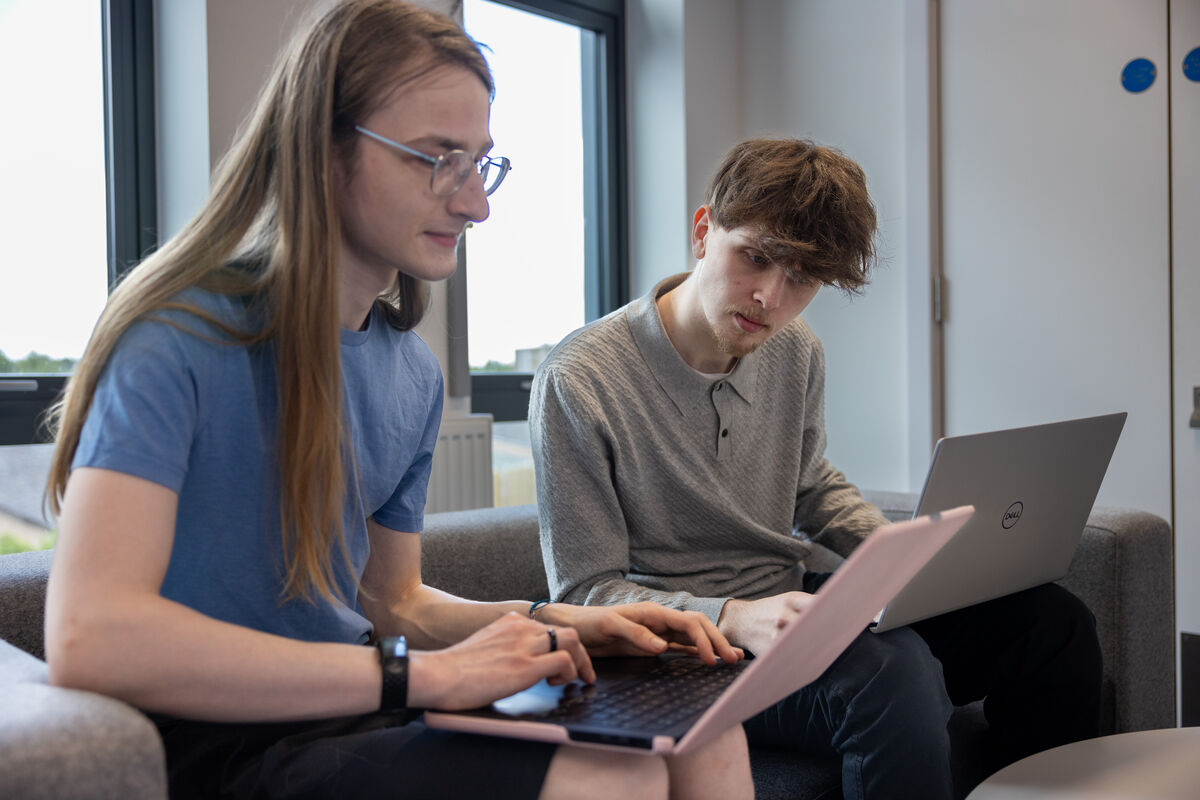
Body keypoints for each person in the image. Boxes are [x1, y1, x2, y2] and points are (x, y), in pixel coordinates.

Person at [41, 2, 753, 798]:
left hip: (361, 708)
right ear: (323, 151)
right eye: (436, 159)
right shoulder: (177, 339)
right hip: (223, 742)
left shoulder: (411, 374)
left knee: (705, 730)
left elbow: (392, 600)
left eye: (480, 163)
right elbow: (90, 636)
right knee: (612, 778)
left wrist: (556, 621)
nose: (476, 203)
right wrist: (415, 677)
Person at [530, 137, 1103, 800]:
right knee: (891, 673)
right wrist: (732, 615)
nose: (769, 297)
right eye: (755, 257)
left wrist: (902, 553)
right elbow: (584, 594)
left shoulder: (793, 349)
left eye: (802, 279)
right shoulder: (580, 379)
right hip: (678, 653)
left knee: (1052, 624)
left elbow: (810, 485)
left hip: (790, 607)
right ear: (703, 230)